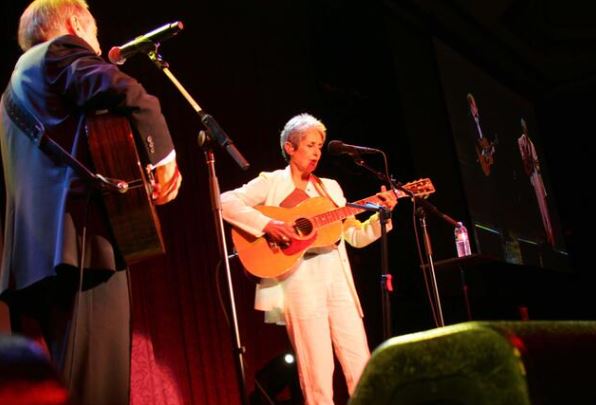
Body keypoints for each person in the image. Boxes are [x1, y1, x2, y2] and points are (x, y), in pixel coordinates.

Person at [0, 1, 182, 404]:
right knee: (100, 386)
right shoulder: (60, 51)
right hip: (82, 244)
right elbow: (130, 94)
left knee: (78, 383)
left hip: (41, 258)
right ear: (73, 24)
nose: (97, 48)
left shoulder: (15, 87)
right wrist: (164, 159)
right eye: (94, 36)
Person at [220, 113, 397, 404]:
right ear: (290, 148)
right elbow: (225, 201)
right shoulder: (271, 182)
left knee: (360, 360)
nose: (317, 152)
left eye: (319, 146)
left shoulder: (331, 187)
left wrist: (382, 215)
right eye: (310, 145)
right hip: (299, 280)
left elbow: (353, 235)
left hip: (337, 278)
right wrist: (268, 224)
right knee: (317, 372)